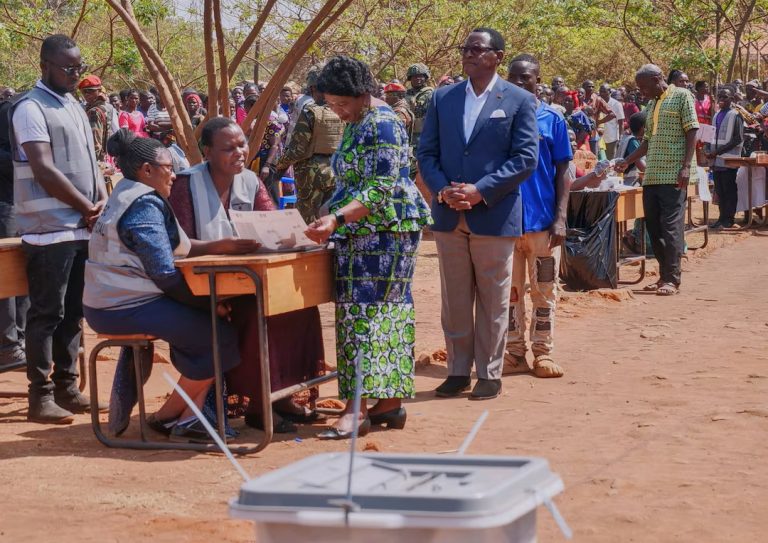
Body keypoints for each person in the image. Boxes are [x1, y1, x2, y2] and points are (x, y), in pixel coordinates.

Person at [83, 130, 257, 441]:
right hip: (123, 305)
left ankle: (178, 416)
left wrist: (218, 246)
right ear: (147, 170)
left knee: (213, 330)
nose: (174, 175)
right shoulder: (143, 204)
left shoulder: (126, 192)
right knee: (218, 334)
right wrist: (208, 304)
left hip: (115, 300)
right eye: (169, 168)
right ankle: (179, 416)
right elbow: (164, 273)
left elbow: (171, 247)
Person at [168, 118, 326, 434]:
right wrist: (220, 247)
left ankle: (283, 394)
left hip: (247, 279)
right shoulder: (186, 185)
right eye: (229, 148)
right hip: (203, 286)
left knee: (297, 307)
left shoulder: (251, 181)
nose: (239, 152)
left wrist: (290, 234)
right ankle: (258, 404)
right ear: (208, 152)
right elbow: (176, 244)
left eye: (242, 145)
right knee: (256, 315)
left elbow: (271, 220)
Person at [305, 56, 432, 438]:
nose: (338, 111)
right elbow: (351, 180)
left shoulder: (383, 123)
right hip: (363, 230)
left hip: (383, 233)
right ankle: (389, 405)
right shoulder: (357, 121)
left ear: (363, 94)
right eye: (332, 105)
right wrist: (330, 211)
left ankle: (356, 409)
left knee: (363, 316)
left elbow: (381, 188)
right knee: (383, 314)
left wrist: (336, 218)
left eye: (342, 104)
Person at [417, 27, 538, 400]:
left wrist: (480, 191)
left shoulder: (519, 100)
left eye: (476, 48)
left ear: (497, 56)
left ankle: (489, 372)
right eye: (465, 48)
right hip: (448, 213)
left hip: (494, 214)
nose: (468, 53)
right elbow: (427, 153)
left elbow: (525, 158)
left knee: (493, 299)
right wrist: (443, 189)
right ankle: (457, 370)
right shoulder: (443, 98)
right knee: (454, 299)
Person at [9, 34, 108, 423]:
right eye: (68, 68)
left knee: (73, 314)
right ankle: (41, 396)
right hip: (49, 231)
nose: (75, 74)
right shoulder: (30, 108)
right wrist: (87, 207)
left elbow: (91, 163)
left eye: (79, 67)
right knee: (46, 313)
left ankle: (67, 388)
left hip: (81, 229)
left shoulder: (73, 106)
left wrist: (101, 203)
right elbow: (44, 169)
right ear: (45, 66)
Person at [506, 54, 572, 378]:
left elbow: (564, 172)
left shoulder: (552, 120)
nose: (519, 83)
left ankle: (543, 353)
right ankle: (513, 352)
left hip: (543, 224)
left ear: (538, 81)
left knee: (544, 291)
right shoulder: (498, 119)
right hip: (505, 226)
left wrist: (560, 217)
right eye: (514, 77)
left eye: (526, 77)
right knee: (510, 294)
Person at [614, 64, 699, 296]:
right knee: (654, 228)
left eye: (643, 86)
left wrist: (686, 167)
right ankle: (663, 276)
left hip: (674, 174)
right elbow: (647, 142)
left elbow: (692, 130)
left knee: (671, 228)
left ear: (656, 79)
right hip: (651, 176)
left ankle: (672, 279)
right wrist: (627, 161)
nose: (641, 92)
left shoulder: (682, 96)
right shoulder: (651, 105)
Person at [271, 71, 344, 223]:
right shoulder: (342, 112)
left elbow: (297, 150)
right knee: (331, 218)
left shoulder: (310, 112)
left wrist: (279, 168)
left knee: (308, 221)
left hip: (311, 175)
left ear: (313, 88)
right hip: (335, 171)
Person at [0, 94, 29, 373]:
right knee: (8, 274)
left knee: (16, 272)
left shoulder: (10, 109)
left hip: (14, 203)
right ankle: (9, 345)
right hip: (8, 204)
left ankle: (18, 340)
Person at [705, 86, 744, 229]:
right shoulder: (716, 115)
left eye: (724, 97)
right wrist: (708, 149)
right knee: (720, 191)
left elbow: (738, 138)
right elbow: (712, 135)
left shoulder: (736, 115)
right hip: (716, 161)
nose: (721, 99)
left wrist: (717, 151)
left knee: (729, 190)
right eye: (719, 97)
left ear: (732, 99)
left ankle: (729, 219)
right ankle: (721, 218)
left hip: (729, 160)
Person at [78, 75, 116, 163]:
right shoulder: (107, 106)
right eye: (84, 92)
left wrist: (93, 161)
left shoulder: (94, 111)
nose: (87, 94)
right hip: (104, 155)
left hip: (95, 158)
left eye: (91, 91)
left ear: (99, 91)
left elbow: (95, 141)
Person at [405, 63, 434, 161]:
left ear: (425, 77)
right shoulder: (406, 94)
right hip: (407, 133)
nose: (418, 79)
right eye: (414, 76)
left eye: (420, 76)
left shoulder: (431, 94)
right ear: (410, 78)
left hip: (423, 134)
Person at [582, 80, 614, 154]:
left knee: (593, 156)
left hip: (592, 133)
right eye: (588, 86)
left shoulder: (597, 99)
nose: (591, 88)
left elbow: (612, 114)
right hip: (579, 133)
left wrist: (599, 122)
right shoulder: (578, 97)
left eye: (592, 87)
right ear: (583, 87)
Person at [616, 111, 647, 186]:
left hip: (623, 181)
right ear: (643, 127)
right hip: (630, 183)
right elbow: (642, 167)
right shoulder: (633, 142)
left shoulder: (626, 137)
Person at [599, 83, 625, 159]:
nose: (602, 94)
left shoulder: (616, 104)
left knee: (611, 161)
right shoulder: (597, 102)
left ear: (609, 92)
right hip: (600, 138)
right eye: (600, 91)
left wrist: (620, 138)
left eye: (604, 91)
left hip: (612, 138)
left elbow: (621, 123)